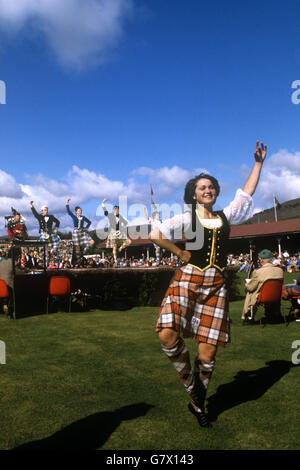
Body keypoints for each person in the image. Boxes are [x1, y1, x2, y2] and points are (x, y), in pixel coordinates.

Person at [149, 140, 267, 427]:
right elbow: (155, 233)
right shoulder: (185, 217)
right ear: (194, 194)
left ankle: (197, 404)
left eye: (211, 187)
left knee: (209, 349)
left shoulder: (226, 216)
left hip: (216, 283)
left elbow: (247, 193)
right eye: (202, 187)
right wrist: (179, 252)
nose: (208, 190)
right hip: (188, 278)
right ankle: (193, 387)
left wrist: (258, 163)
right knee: (166, 333)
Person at [242, 249, 283, 323]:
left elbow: (251, 287)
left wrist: (247, 284)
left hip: (263, 297)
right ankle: (274, 314)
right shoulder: (280, 270)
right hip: (277, 296)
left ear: (261, 260)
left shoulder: (258, 272)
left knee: (250, 293)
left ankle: (247, 316)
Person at [102, 198, 131, 265]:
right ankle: (115, 261)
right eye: (116, 210)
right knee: (114, 247)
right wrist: (103, 203)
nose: (117, 211)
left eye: (118, 210)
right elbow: (105, 212)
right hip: (113, 232)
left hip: (119, 232)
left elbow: (126, 222)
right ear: (114, 210)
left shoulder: (120, 216)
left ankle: (120, 248)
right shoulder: (110, 215)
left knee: (129, 241)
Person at [66, 198, 95, 265]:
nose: (80, 212)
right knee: (77, 248)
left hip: (82, 232)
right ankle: (78, 262)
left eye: (81, 211)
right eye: (79, 211)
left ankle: (83, 252)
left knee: (92, 242)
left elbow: (89, 222)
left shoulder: (83, 217)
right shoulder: (74, 216)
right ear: (76, 212)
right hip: (76, 232)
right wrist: (67, 203)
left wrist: (86, 228)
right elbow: (68, 211)